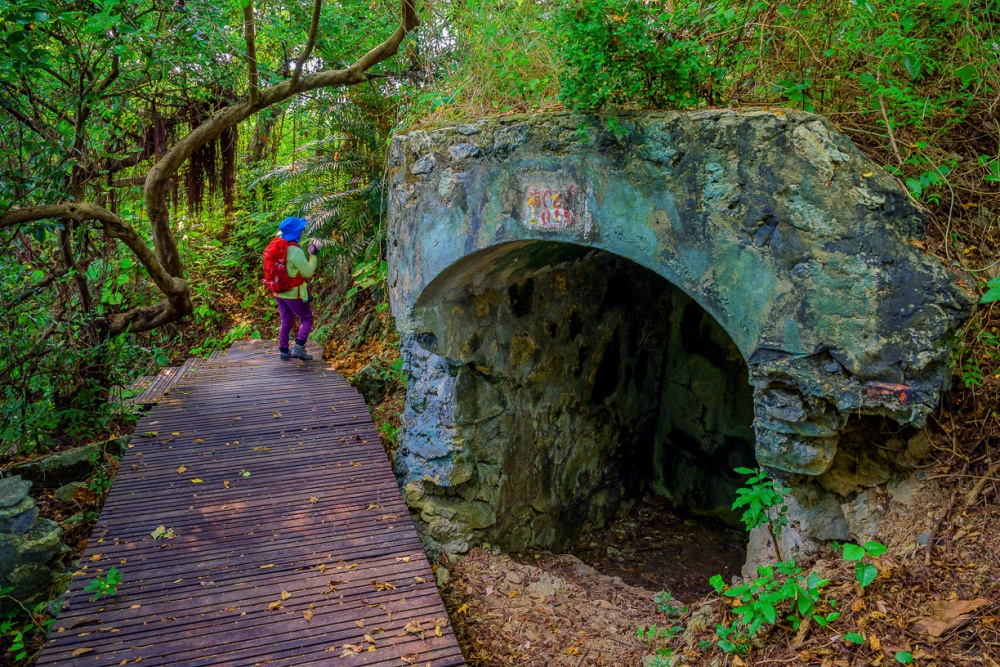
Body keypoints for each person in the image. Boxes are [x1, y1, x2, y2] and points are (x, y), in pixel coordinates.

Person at [273, 216, 321, 361]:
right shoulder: (294, 251)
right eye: (301, 230)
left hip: (279, 291)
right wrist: (314, 255)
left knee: (286, 320)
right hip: (294, 293)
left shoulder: (277, 245)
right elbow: (307, 272)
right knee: (306, 318)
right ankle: (299, 349)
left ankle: (284, 351)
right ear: (297, 232)